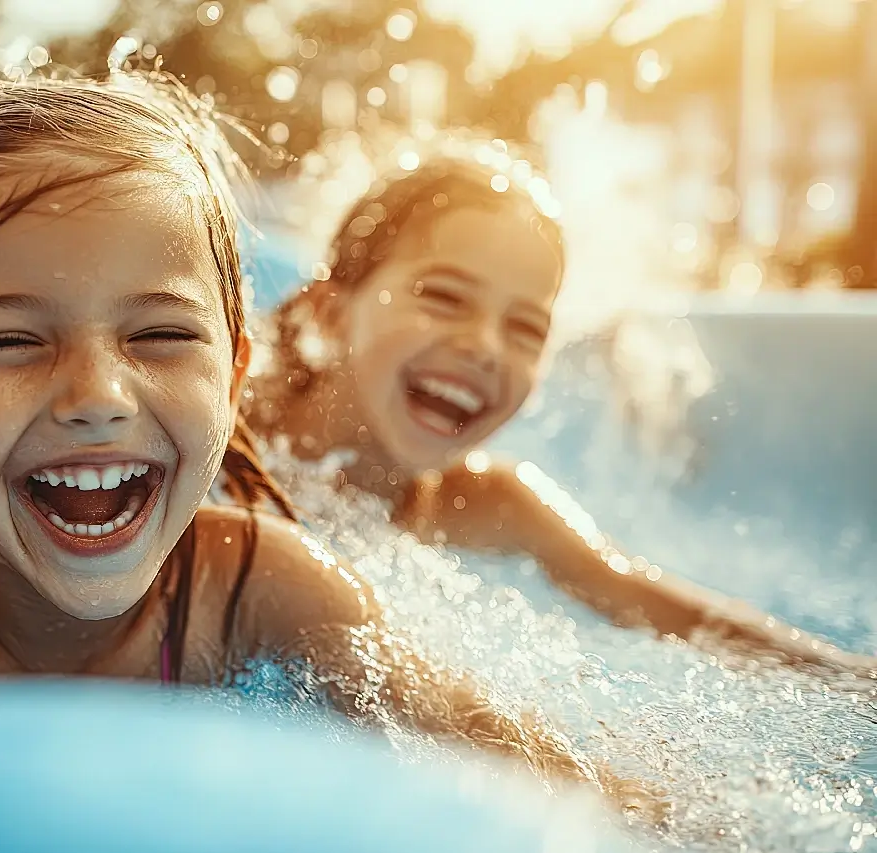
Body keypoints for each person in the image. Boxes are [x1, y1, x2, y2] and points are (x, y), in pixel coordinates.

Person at [0, 76, 661, 818]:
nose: (98, 395)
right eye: (10, 340)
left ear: (234, 374)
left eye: (160, 336)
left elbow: (503, 749)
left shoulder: (252, 583)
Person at [241, 152, 877, 676]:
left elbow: (665, 608)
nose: (486, 347)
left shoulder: (490, 504)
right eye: (445, 297)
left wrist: (854, 678)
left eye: (525, 327)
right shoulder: (228, 449)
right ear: (330, 312)